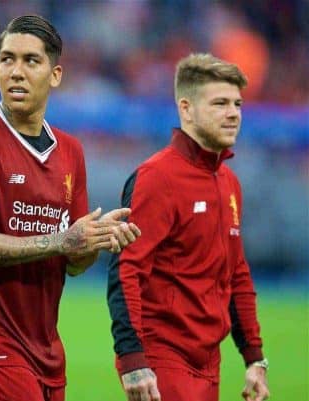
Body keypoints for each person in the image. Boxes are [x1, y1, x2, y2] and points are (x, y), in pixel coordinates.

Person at [0, 15, 141, 401]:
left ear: (55, 75)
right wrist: (61, 241)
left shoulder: (70, 151)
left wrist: (97, 241)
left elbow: (73, 260)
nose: (17, 71)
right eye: (8, 60)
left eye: (31, 61)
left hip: (47, 354)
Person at [107, 53, 270, 401]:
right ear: (186, 109)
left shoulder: (228, 183)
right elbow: (125, 270)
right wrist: (133, 360)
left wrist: (255, 357)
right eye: (220, 103)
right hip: (162, 362)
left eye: (238, 104)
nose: (233, 113)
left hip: (210, 363)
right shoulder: (156, 178)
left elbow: (237, 274)